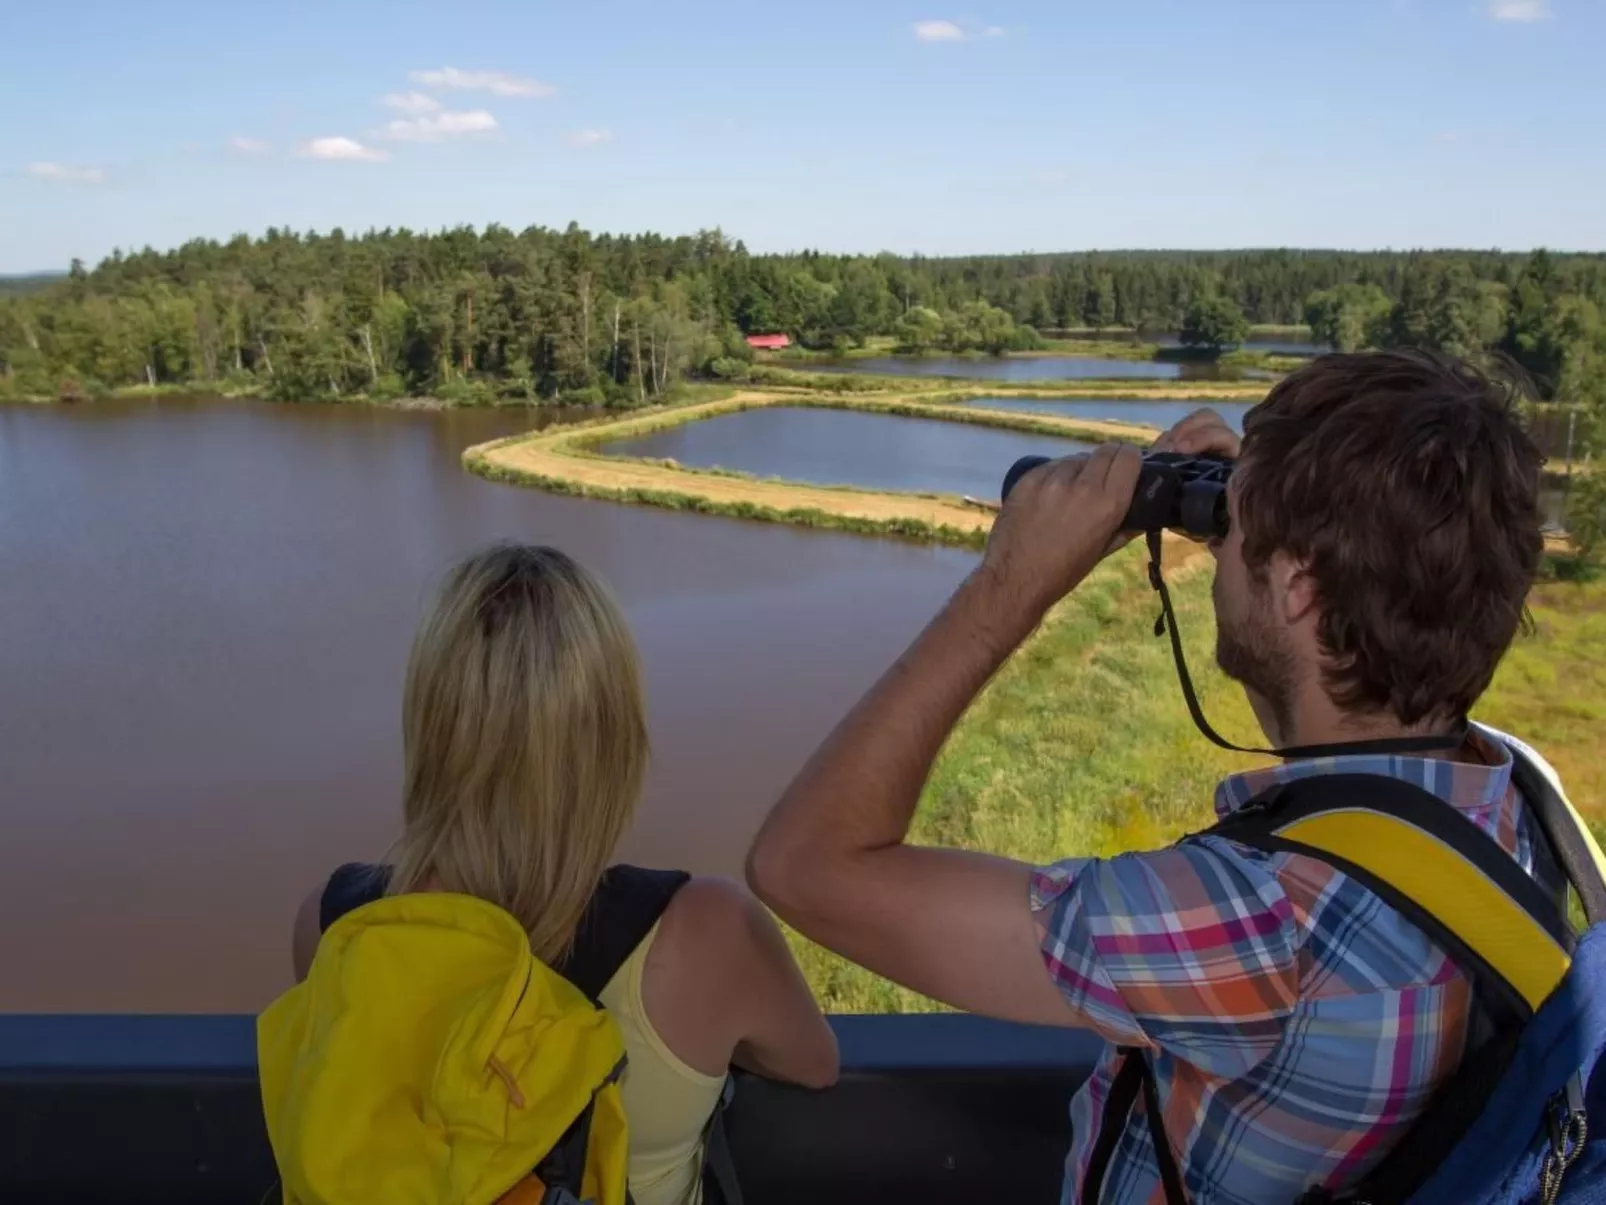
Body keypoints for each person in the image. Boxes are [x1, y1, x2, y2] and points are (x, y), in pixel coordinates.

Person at [746, 350, 1564, 1202]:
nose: (1217, 555)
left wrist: (1009, 586)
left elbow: (804, 867)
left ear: (1296, 587)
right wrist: (1269, 530)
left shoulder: (1265, 917)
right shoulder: (1510, 809)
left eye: (1232, 532)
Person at [282, 542, 838, 1205]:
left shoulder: (333, 927)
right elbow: (814, 1062)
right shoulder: (709, 933)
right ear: (615, 739)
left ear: (428, 724)